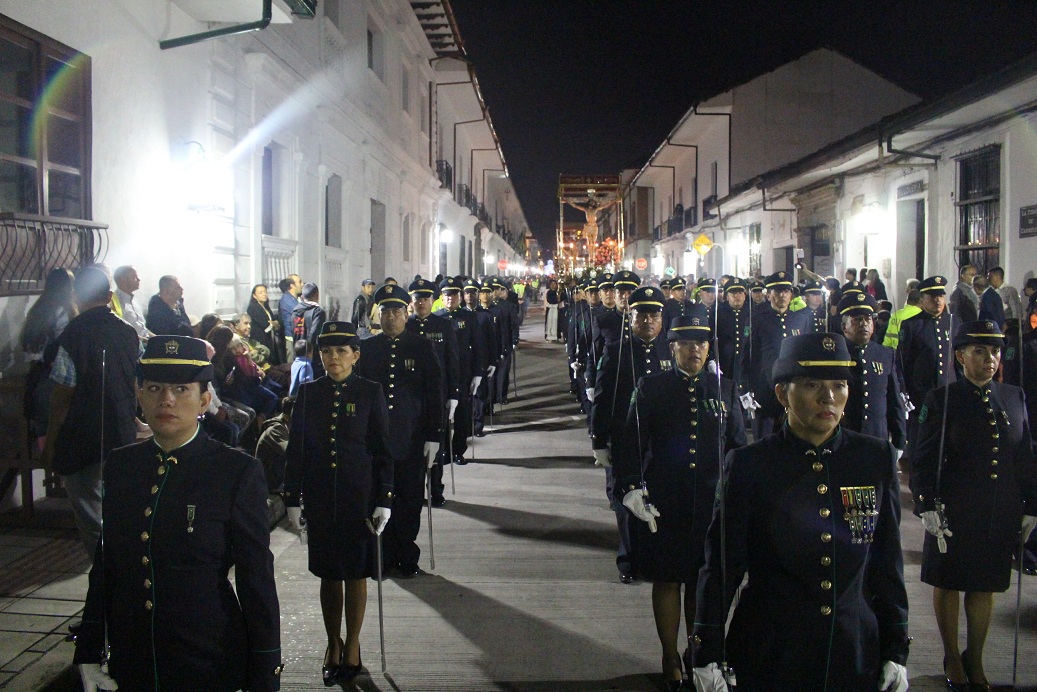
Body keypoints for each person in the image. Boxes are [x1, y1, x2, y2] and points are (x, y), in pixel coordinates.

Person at [690, 332, 910, 692]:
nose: (828, 398)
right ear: (782, 394)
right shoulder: (751, 465)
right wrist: (706, 650)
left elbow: (887, 562)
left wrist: (896, 647)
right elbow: (723, 566)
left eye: (839, 385)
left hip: (852, 647)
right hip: (772, 648)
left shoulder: (873, 459)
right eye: (811, 385)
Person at [74, 335, 282, 691]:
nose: (166, 399)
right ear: (139, 395)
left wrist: (265, 674)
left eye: (181, 389)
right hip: (133, 661)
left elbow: (256, 579)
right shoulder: (122, 466)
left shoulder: (234, 471)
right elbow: (108, 565)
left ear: (204, 400)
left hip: (206, 659)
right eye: (154, 388)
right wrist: (90, 649)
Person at [613, 312, 745, 690]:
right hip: (666, 501)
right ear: (672, 348)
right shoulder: (652, 387)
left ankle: (696, 651)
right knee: (669, 579)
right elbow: (630, 442)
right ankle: (669, 655)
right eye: (686, 343)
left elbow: (738, 448)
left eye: (701, 343)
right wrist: (631, 487)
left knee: (702, 582)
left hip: (711, 503)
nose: (694, 350)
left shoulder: (724, 389)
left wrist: (740, 495)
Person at [909, 320, 1036, 690]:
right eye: (979, 351)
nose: (989, 359)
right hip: (954, 508)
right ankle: (952, 656)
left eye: (994, 351)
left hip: (999, 507)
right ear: (960, 356)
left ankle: (975, 658)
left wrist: (1031, 504)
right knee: (949, 582)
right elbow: (923, 458)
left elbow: (1024, 455)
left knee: (985, 585)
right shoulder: (942, 399)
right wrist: (926, 503)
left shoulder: (1013, 396)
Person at [284, 321, 393, 685]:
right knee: (330, 573)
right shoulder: (308, 393)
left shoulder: (370, 392)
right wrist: (292, 497)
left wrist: (384, 498)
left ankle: (354, 644)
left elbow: (382, 450)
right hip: (320, 496)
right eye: (327, 351)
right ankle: (333, 643)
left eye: (341, 351)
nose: (334, 358)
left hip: (358, 496)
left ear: (355, 355)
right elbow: (297, 449)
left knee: (357, 573)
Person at [41, 266, 139, 556]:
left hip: (83, 433)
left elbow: (63, 394)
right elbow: (135, 383)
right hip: (121, 432)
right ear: (109, 297)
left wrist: (51, 440)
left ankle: (104, 570)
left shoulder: (73, 334)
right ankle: (126, 564)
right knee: (120, 506)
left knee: (89, 508)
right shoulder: (128, 332)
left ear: (77, 296)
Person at [354, 284, 443, 577]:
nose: (390, 317)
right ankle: (382, 555)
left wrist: (434, 436)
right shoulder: (367, 349)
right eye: (385, 312)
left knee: (408, 497)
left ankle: (406, 553)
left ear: (406, 313)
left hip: (411, 437)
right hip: (375, 440)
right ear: (377, 315)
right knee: (377, 496)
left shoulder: (421, 346)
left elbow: (434, 393)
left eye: (395, 311)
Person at [591, 285, 671, 584]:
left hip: (661, 438)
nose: (648, 321)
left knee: (658, 494)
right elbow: (602, 398)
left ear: (661, 319)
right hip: (626, 435)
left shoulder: (671, 350)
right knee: (625, 497)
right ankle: (628, 559)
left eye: (654, 315)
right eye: (641, 315)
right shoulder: (616, 350)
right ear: (631, 317)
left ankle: (653, 553)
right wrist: (599, 440)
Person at [408, 278, 460, 506]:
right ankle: (415, 490)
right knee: (414, 447)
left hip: (437, 396)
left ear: (432, 300)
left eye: (425, 299)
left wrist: (454, 394)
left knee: (436, 445)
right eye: (417, 299)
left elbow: (452, 361)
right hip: (412, 396)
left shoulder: (443, 326)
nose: (421, 303)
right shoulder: (406, 325)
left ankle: (436, 490)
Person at [743, 271, 812, 437]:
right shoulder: (757, 320)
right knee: (764, 441)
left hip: (792, 389)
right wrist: (745, 389)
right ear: (768, 295)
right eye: (778, 291)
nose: (782, 295)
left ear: (791, 295)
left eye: (786, 291)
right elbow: (746, 357)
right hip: (764, 390)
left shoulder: (800, 320)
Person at [838, 293, 907, 449]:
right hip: (845, 436)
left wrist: (899, 440)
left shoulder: (884, 354)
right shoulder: (837, 354)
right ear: (844, 327)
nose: (864, 324)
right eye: (857, 320)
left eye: (868, 319)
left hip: (877, 435)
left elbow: (894, 400)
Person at [897, 276, 955, 448]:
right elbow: (903, 361)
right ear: (922, 299)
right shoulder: (912, 325)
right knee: (922, 442)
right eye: (932, 296)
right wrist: (905, 391)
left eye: (941, 296)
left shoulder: (953, 323)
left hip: (949, 393)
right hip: (922, 395)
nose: (937, 300)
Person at [20, 267, 77, 441]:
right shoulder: (64, 312)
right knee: (60, 429)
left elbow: (29, 349)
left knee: (43, 428)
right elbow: (67, 346)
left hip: (37, 375)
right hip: (55, 375)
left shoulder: (38, 309)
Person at [436, 276, 486, 465]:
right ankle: (443, 451)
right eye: (447, 295)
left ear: (460, 297)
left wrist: (478, 373)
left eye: (454, 295)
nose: (450, 298)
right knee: (442, 414)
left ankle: (458, 450)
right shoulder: (436, 319)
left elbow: (478, 346)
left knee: (462, 413)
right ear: (442, 297)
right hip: (442, 373)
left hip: (463, 372)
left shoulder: (468, 317)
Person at [292, 283, 327, 379]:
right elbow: (314, 334)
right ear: (317, 295)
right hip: (311, 355)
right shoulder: (318, 312)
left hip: (297, 353)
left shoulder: (295, 311)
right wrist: (309, 352)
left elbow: (294, 332)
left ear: (302, 296)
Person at [111, 265, 152, 341]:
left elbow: (142, 328)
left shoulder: (135, 300)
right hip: (132, 344)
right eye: (134, 277)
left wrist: (159, 339)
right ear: (123, 280)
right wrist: (145, 341)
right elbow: (121, 330)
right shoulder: (115, 301)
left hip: (146, 342)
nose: (139, 279)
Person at [248, 283, 285, 365]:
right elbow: (265, 324)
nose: (264, 294)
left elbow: (273, 321)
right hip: (260, 338)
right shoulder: (253, 307)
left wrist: (274, 323)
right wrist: (273, 323)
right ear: (254, 295)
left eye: (265, 292)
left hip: (269, 337)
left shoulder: (265, 306)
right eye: (260, 292)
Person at [882, 282, 921, 349]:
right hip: (911, 353)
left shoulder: (895, 315)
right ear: (920, 301)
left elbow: (887, 341)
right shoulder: (920, 316)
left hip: (894, 352)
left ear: (907, 301)